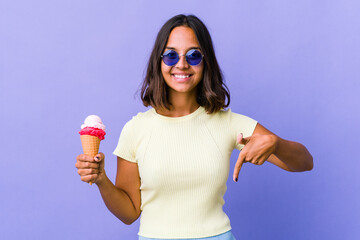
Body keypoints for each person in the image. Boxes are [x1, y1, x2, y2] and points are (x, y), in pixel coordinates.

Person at [75, 14, 313, 240]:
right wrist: (101, 179)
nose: (182, 64)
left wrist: (276, 144)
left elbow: (304, 162)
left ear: (206, 61)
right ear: (158, 61)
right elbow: (129, 213)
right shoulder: (135, 129)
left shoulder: (228, 123)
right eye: (170, 55)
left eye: (193, 56)